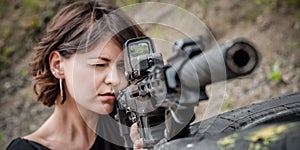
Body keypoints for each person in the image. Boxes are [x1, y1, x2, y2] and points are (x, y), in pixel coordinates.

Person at [6, 0, 145, 149]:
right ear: (58, 65)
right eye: (99, 65)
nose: (116, 80)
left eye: (121, 66)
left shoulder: (133, 127)